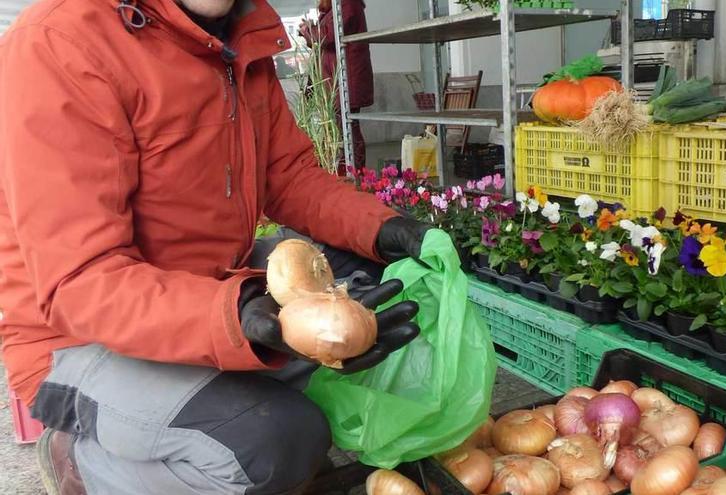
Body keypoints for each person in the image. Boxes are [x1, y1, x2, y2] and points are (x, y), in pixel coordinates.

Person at [0, 0, 435, 493]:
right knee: (275, 441)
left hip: (203, 288)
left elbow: (287, 175)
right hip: (75, 339)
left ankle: (215, 408)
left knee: (362, 277)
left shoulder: (238, 32)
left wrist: (387, 228)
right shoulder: (61, 42)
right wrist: (235, 314)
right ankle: (80, 462)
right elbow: (80, 281)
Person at [299, 0, 373, 174]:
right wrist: (311, 30)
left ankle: (353, 172)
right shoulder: (336, 7)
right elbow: (324, 38)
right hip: (337, 80)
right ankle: (347, 171)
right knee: (343, 129)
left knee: (347, 129)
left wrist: (309, 30)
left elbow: (330, 36)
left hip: (346, 81)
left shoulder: (348, 4)